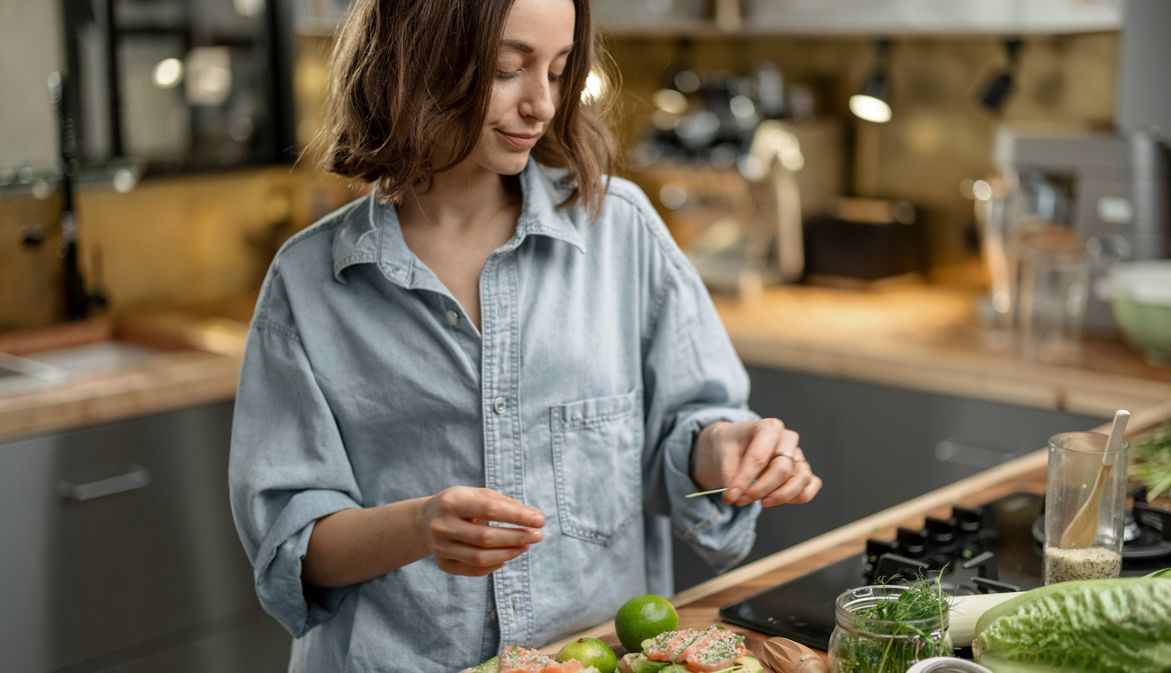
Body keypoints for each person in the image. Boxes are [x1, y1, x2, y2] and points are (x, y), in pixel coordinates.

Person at [228, 0, 822, 671]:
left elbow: (689, 424)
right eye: (509, 69)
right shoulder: (308, 281)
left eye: (560, 70)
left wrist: (725, 448)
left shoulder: (620, 231)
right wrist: (417, 527)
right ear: (417, 60)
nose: (542, 104)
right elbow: (292, 545)